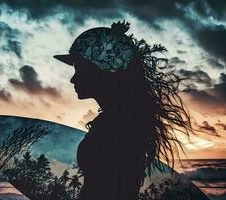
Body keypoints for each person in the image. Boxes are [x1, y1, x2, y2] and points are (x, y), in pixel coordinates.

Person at [54, 21, 193, 200]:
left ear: (103, 71)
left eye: (79, 69)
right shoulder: (120, 118)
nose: (73, 79)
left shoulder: (120, 125)